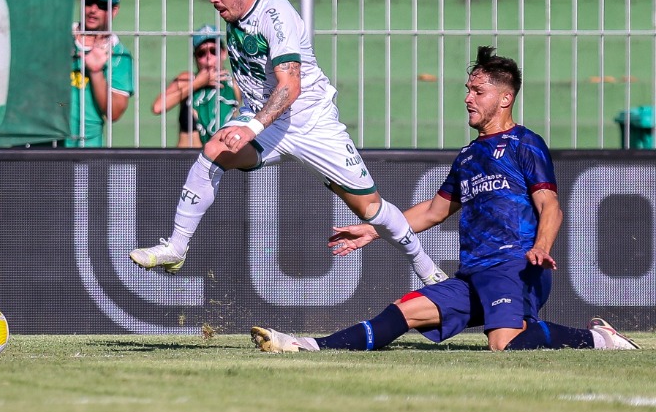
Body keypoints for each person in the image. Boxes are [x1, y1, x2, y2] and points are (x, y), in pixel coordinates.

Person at [251, 45, 640, 353]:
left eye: (478, 91)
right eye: (468, 90)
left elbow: (550, 206)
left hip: (515, 265)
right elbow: (434, 211)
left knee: (503, 344)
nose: (468, 98)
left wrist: (541, 246)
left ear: (505, 99)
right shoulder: (469, 156)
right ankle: (306, 345)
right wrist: (373, 230)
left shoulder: (525, 143)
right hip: (474, 273)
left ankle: (598, 340)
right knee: (404, 312)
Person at [130, 0, 446, 285]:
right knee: (214, 150)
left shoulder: (276, 15)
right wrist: (251, 119)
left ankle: (425, 266)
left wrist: (251, 126)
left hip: (309, 121)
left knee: (369, 208)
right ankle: (177, 247)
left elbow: (290, 86)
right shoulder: (234, 11)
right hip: (265, 118)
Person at [67, 0, 133, 147]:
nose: (93, 10)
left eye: (102, 5)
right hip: (48, 143)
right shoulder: (60, 37)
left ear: (114, 10)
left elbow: (115, 112)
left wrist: (96, 72)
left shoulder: (120, 55)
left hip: (86, 147)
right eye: (89, 2)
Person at [151, 24, 242, 148]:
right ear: (195, 58)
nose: (208, 58)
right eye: (201, 53)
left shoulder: (234, 85)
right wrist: (197, 84)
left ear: (224, 53)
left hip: (223, 152)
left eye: (213, 51)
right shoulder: (188, 79)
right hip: (192, 151)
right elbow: (158, 107)